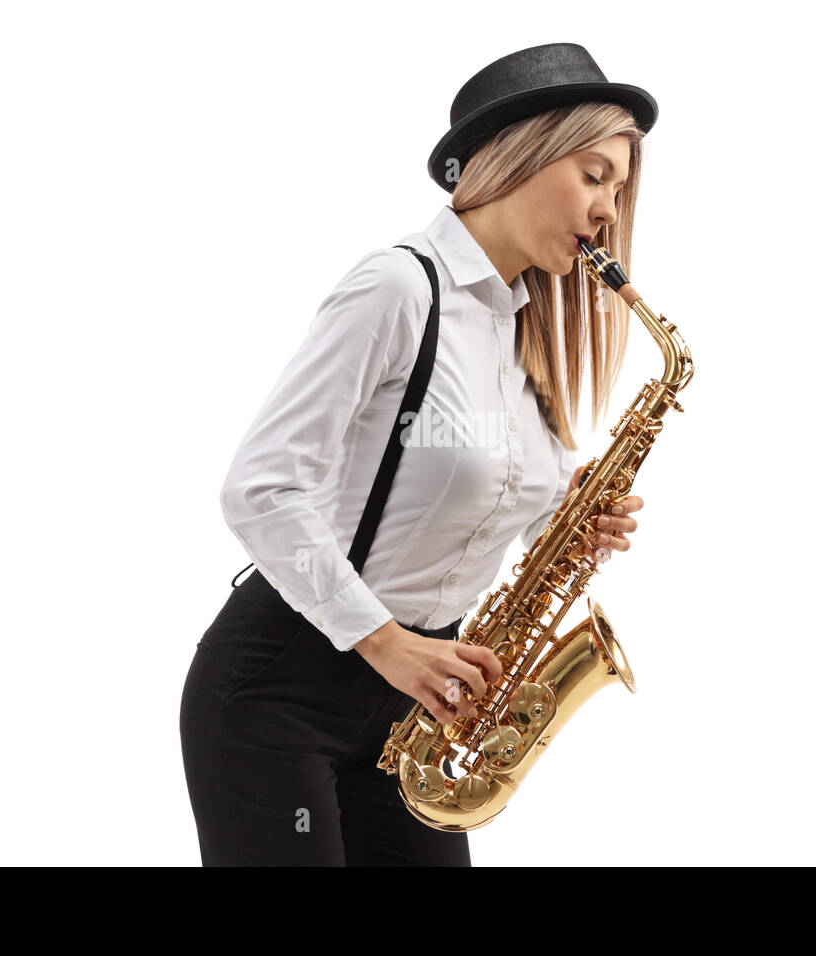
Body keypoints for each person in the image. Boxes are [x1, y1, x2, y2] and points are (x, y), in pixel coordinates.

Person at [179, 42, 656, 866]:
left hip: (418, 709)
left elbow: (471, 482)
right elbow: (259, 488)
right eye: (593, 175)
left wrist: (568, 513)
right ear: (523, 153)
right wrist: (387, 643)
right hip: (279, 695)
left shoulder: (521, 329)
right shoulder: (398, 290)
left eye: (617, 187)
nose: (610, 209)